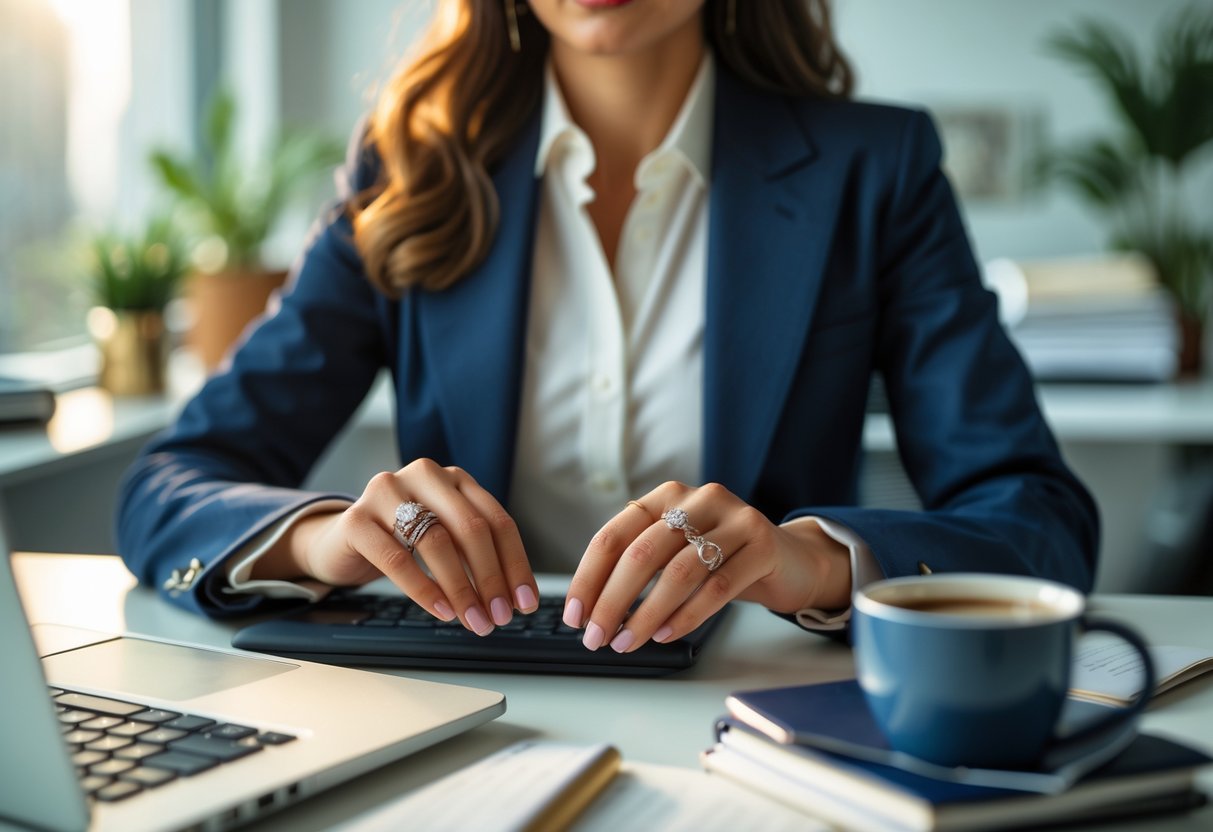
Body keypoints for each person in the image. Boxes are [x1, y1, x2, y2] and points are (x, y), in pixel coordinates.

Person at [117, 0, 1098, 653]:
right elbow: (168, 486)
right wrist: (323, 542)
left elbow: (1037, 520)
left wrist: (807, 561)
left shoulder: (874, 170)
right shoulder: (409, 171)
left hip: (763, 723)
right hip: (470, 731)